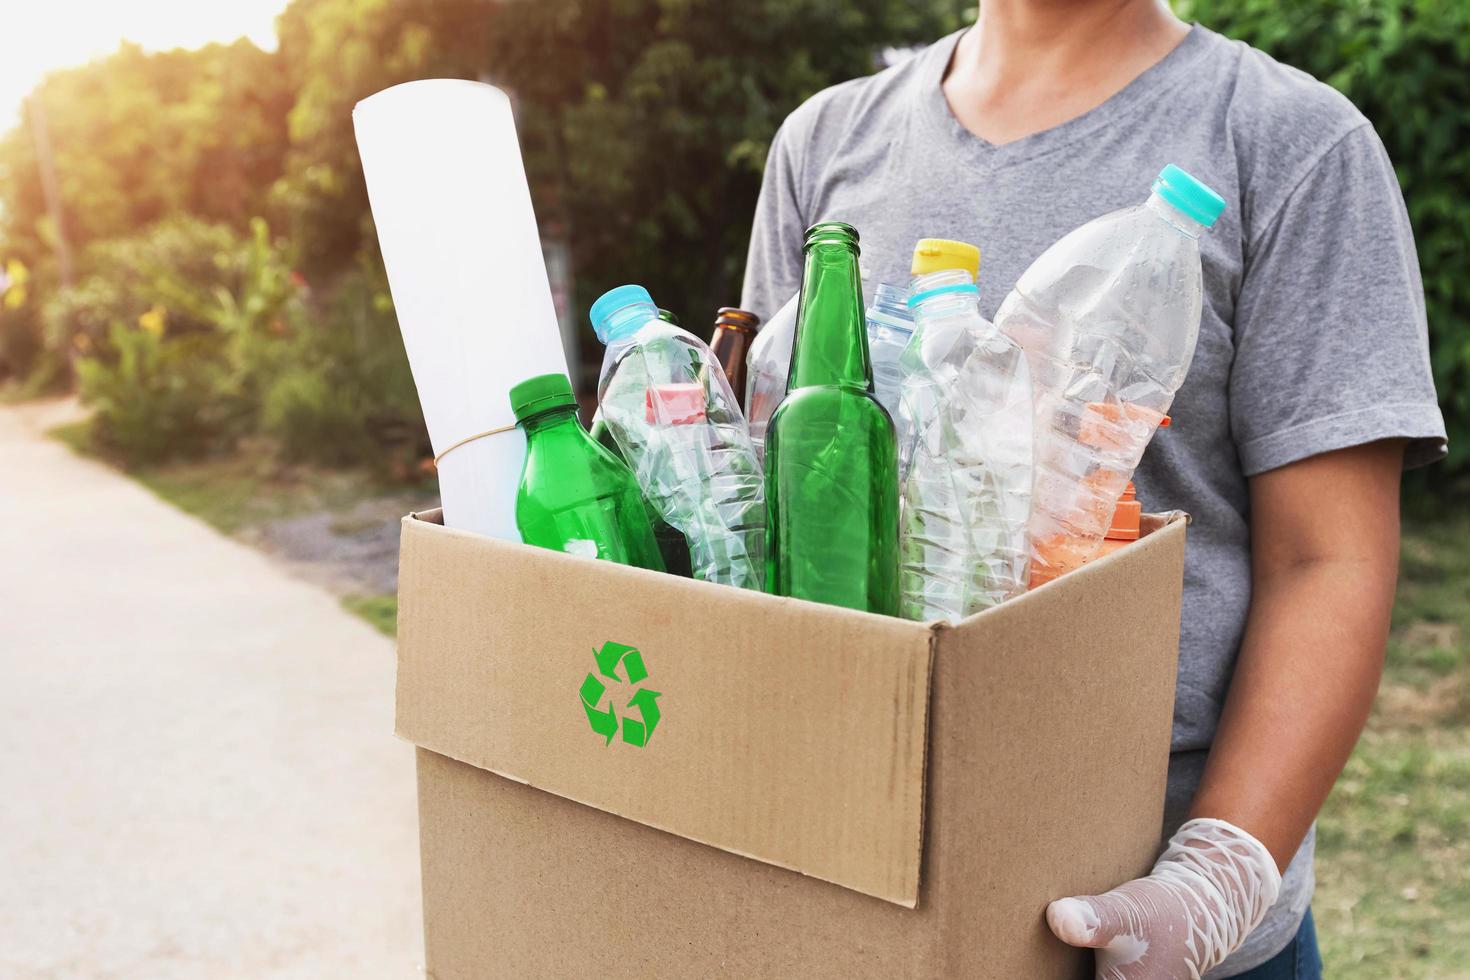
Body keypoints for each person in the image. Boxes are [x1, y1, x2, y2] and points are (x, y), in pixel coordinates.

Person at [740, 1, 1447, 977]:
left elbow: (1326, 559)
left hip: (1161, 914)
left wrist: (1213, 880)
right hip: (869, 890)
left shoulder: (1291, 142)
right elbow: (776, 512)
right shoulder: (827, 142)